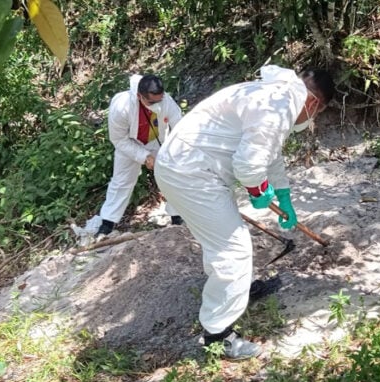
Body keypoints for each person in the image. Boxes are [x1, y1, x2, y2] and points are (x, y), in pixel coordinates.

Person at [154, 65, 335, 360]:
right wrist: (257, 189)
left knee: (221, 242)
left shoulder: (275, 95)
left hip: (186, 168)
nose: (310, 119)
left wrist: (283, 194)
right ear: (314, 103)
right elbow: (250, 165)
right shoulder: (280, 103)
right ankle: (218, 336)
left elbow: (270, 153)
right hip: (191, 173)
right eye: (316, 114)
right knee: (233, 249)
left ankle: (233, 291)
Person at [96, 74, 184, 236]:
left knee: (173, 175)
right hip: (130, 143)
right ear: (139, 96)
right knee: (121, 181)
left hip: (157, 140)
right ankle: (107, 224)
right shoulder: (121, 107)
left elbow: (179, 127)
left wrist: (177, 150)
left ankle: (178, 217)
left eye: (159, 100)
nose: (156, 105)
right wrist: (144, 156)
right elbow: (118, 139)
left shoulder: (166, 100)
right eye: (151, 102)